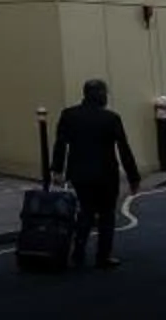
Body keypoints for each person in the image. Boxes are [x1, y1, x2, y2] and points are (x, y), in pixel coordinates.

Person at [53, 78, 145, 270]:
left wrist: (57, 169)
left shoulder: (69, 115)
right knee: (106, 215)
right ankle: (103, 256)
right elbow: (124, 149)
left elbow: (60, 143)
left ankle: (78, 252)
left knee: (85, 212)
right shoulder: (111, 118)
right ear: (102, 95)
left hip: (79, 173)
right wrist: (133, 177)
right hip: (106, 174)